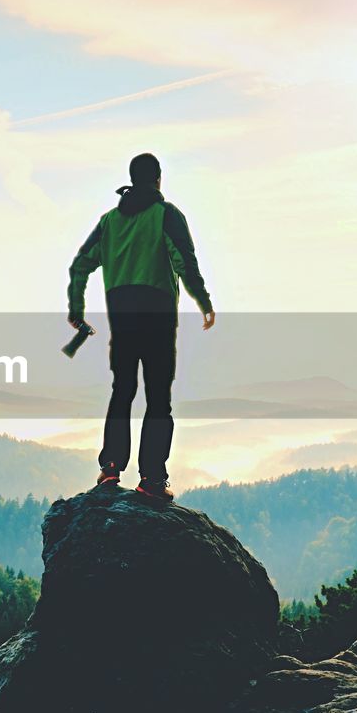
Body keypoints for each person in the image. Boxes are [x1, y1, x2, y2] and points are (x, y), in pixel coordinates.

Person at [67, 152, 215, 501]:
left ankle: (111, 468)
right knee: (158, 398)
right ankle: (151, 479)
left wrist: (77, 308)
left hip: (122, 316)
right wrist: (204, 301)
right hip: (158, 314)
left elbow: (80, 266)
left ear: (133, 180)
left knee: (123, 391)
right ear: (158, 179)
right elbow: (184, 261)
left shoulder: (109, 222)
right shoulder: (167, 214)